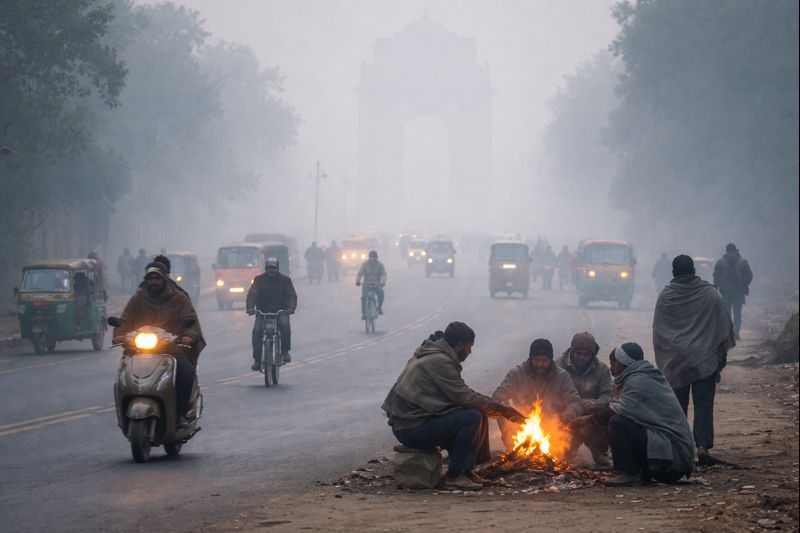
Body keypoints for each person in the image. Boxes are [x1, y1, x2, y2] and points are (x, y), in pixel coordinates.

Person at [382, 322, 526, 491]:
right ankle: (454, 476)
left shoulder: (438, 355)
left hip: (417, 421)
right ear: (459, 345)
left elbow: (464, 394)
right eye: (469, 347)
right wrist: (502, 410)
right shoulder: (439, 362)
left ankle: (468, 471)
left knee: (478, 412)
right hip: (410, 428)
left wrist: (494, 407)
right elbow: (465, 397)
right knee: (471, 417)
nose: (470, 352)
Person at [569, 343, 695, 486]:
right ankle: (636, 472)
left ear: (623, 362)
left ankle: (631, 473)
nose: (611, 369)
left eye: (613, 364)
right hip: (665, 459)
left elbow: (613, 412)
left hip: (672, 462)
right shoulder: (640, 376)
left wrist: (585, 420)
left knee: (617, 422)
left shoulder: (640, 381)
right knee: (612, 419)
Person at [653, 254, 734, 466]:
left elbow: (659, 332)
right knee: (704, 405)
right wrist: (721, 356)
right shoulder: (710, 294)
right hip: (704, 360)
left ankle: (679, 448)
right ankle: (702, 447)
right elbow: (724, 326)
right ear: (694, 271)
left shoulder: (666, 296)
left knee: (677, 407)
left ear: (673, 272)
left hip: (675, 361)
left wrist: (665, 359)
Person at [112, 262, 206, 429]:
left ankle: (180, 414)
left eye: (157, 278)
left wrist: (187, 337)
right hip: (138, 350)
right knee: (122, 377)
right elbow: (124, 320)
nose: (153, 282)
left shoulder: (179, 298)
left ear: (164, 279)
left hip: (171, 350)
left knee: (186, 372)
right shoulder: (138, 299)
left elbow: (192, 324)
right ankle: (124, 411)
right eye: (150, 278)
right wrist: (119, 335)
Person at [492, 338, 583, 451]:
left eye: (544, 360)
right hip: (521, 424)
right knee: (500, 409)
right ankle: (513, 446)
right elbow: (498, 397)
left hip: (553, 427)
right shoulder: (517, 373)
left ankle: (563, 450)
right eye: (536, 360)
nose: (540, 364)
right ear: (530, 358)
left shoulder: (562, 376)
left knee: (562, 456)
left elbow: (575, 402)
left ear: (551, 359)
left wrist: (567, 417)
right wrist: (509, 412)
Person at [556, 332, 612, 466]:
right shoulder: (557, 367)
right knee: (561, 458)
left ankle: (599, 451)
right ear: (572, 351)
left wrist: (593, 404)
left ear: (592, 355)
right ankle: (567, 448)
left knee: (607, 414)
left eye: (586, 354)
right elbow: (550, 394)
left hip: (591, 415)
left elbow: (607, 395)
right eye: (578, 353)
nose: (581, 357)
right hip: (565, 415)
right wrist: (571, 408)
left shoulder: (602, 370)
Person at [246, 257, 297, 368]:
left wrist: (291, 307)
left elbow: (291, 295)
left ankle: (285, 352)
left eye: (273, 268)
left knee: (285, 325)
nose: (271, 270)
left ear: (277, 268)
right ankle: (257, 360)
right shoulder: (259, 280)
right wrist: (250, 307)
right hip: (262, 312)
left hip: (280, 311)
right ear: (266, 268)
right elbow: (252, 294)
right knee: (257, 332)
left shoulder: (285, 280)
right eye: (269, 268)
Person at [713, 243, 753, 340]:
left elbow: (716, 277)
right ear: (736, 250)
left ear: (726, 251)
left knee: (727, 313)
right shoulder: (743, 262)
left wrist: (717, 287)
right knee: (737, 312)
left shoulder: (720, 262)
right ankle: (736, 333)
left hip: (725, 292)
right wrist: (744, 284)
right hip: (739, 291)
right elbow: (750, 275)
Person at [356, 250, 386, 319]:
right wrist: (358, 281)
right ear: (369, 257)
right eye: (371, 257)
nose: (372, 259)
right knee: (363, 297)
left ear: (376, 258)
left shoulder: (380, 265)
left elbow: (383, 274)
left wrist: (382, 282)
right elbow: (360, 273)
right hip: (366, 284)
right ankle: (364, 313)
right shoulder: (364, 264)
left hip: (377, 284)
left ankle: (379, 307)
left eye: (373, 257)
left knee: (381, 293)